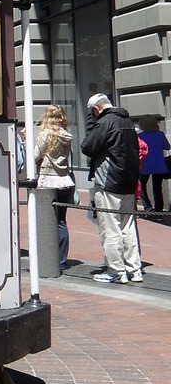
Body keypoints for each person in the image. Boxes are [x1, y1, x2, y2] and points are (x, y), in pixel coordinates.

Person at [80, 93, 143, 284]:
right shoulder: (127, 122)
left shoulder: (104, 123)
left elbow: (87, 147)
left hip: (109, 182)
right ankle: (135, 269)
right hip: (128, 182)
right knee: (128, 227)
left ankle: (116, 271)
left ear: (96, 109)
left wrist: (92, 125)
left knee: (110, 229)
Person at [34, 104, 74, 266]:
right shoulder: (66, 136)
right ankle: (62, 259)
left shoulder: (46, 135)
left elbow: (34, 156)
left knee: (46, 220)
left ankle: (48, 257)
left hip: (48, 180)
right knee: (61, 222)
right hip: (64, 180)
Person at [138, 119, 170, 216]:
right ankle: (159, 209)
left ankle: (148, 207)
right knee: (157, 188)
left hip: (145, 165)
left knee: (142, 186)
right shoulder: (160, 134)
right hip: (158, 164)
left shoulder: (140, 136)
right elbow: (167, 147)